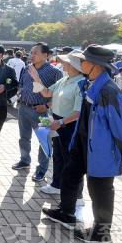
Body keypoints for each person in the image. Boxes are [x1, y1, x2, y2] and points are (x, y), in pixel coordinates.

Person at [42, 45, 122, 243]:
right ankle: (66, 213)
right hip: (82, 143)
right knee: (69, 175)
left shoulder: (108, 90)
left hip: (100, 150)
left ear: (94, 65)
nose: (79, 63)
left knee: (100, 190)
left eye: (83, 61)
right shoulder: (89, 83)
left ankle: (102, 234)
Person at [30, 51, 85, 205]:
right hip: (57, 123)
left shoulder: (81, 83)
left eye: (67, 62)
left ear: (75, 65)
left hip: (69, 126)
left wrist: (61, 123)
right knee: (58, 156)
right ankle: (56, 185)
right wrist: (36, 78)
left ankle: (77, 196)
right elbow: (47, 93)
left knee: (72, 161)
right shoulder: (65, 79)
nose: (64, 63)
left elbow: (78, 112)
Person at [13, 42, 63, 182]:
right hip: (23, 108)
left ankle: (41, 169)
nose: (32, 55)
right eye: (31, 52)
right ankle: (24, 160)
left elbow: (59, 95)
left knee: (44, 140)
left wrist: (47, 106)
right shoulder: (27, 68)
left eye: (35, 52)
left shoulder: (55, 72)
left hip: (41, 112)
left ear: (46, 55)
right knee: (24, 137)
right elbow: (22, 85)